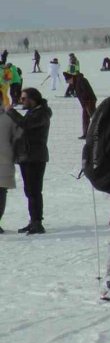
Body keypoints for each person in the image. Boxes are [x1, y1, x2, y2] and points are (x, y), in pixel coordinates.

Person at [7, 88, 51, 235]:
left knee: (34, 190)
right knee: (30, 190)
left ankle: (37, 222)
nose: (21, 101)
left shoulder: (42, 113)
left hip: (35, 157)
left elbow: (25, 124)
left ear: (33, 99)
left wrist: (11, 111)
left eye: (24, 98)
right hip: (27, 156)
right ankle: (34, 220)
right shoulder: (34, 112)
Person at [0, 106, 19, 233]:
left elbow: (18, 138)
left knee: (1, 192)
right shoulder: (8, 118)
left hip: (4, 161)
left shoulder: (8, 118)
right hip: (5, 160)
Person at [64, 72, 97, 139]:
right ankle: (86, 134)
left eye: (68, 81)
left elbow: (86, 91)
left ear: (71, 78)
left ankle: (100, 132)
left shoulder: (81, 80)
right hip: (85, 103)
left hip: (89, 101)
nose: (69, 83)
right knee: (85, 118)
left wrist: (85, 99)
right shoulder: (75, 81)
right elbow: (71, 89)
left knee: (94, 117)